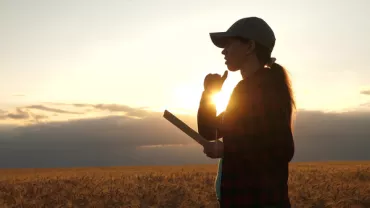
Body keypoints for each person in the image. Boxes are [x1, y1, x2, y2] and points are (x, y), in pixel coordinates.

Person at [197, 17, 295, 207]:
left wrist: (227, 149)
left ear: (249, 46)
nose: (223, 51)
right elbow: (210, 131)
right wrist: (210, 93)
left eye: (229, 44)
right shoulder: (247, 89)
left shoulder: (265, 89)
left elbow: (282, 148)